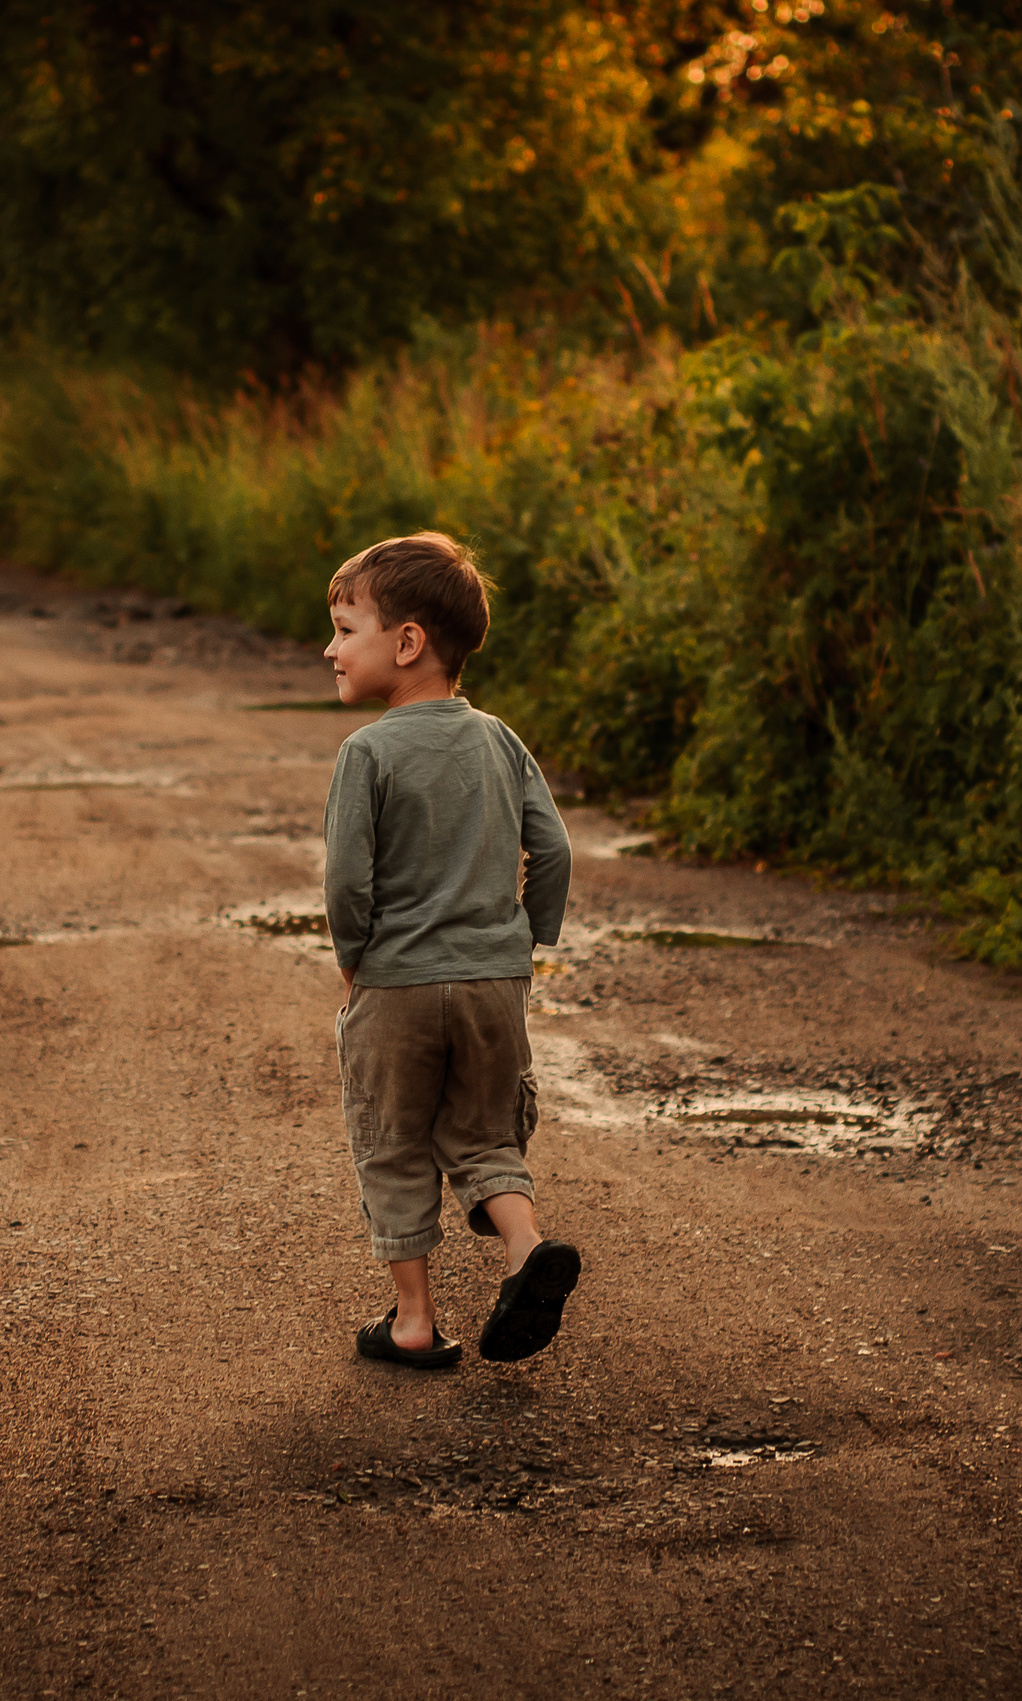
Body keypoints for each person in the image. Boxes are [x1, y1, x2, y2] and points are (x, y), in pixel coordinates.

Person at [321, 532, 579, 1368]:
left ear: (407, 642)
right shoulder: (501, 740)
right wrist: (526, 938)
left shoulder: (367, 752)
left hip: (397, 983)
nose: (331, 648)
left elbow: (347, 882)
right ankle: (525, 1245)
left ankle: (414, 1322)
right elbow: (557, 851)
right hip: (494, 981)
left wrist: (355, 957)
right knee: (482, 1134)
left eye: (346, 628)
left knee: (393, 1140)